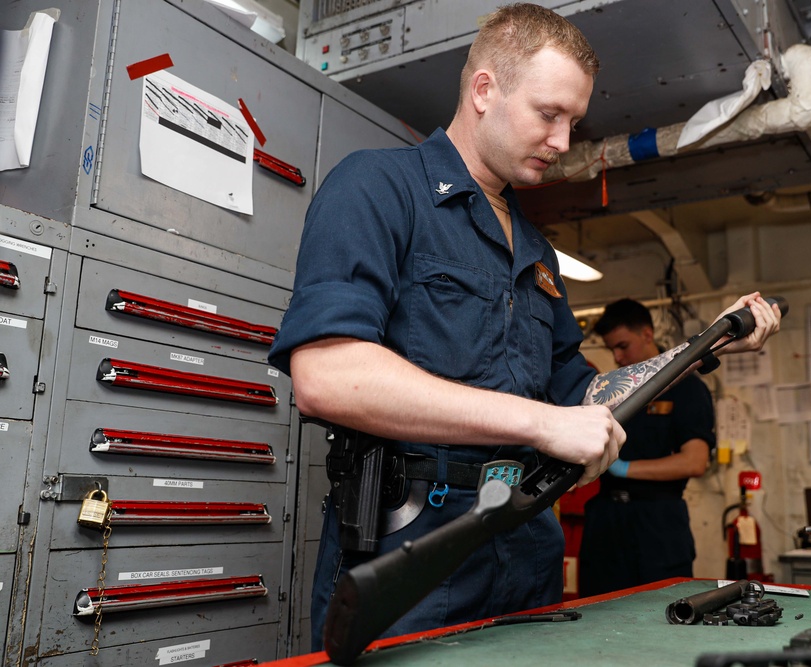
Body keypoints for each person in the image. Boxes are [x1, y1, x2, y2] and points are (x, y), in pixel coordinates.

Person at [267, 3, 782, 649]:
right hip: (413, 554)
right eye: (549, 114)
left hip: (525, 548)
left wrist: (706, 345)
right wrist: (539, 423)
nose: (565, 141)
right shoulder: (377, 187)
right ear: (485, 89)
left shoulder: (536, 251)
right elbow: (327, 376)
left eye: (574, 120)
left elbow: (585, 396)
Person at [578, 299, 715, 596]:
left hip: (658, 524)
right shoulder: (613, 394)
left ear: (647, 335)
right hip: (606, 522)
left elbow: (694, 462)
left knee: (662, 617)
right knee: (596, 615)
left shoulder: (687, 388)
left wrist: (623, 468)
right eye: (611, 349)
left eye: (623, 346)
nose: (617, 357)